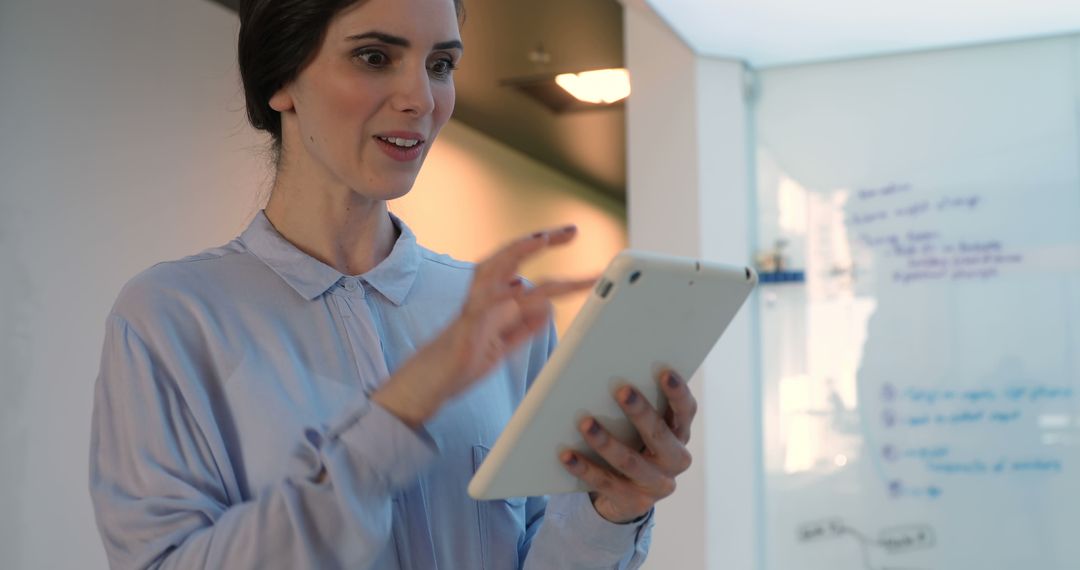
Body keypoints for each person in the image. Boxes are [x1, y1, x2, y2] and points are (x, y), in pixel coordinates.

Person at [88, 0, 698, 567]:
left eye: (441, 65)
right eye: (375, 57)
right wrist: (400, 410)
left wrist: (610, 512)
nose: (421, 99)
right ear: (281, 78)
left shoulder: (498, 312)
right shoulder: (172, 318)